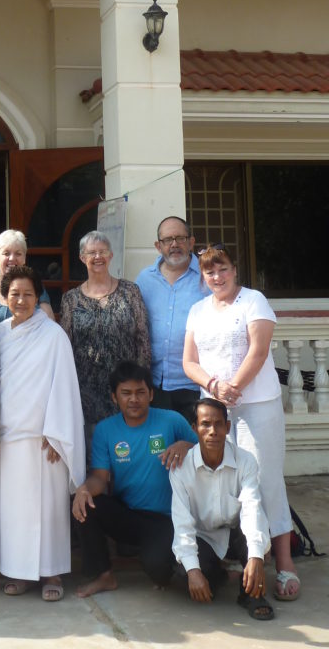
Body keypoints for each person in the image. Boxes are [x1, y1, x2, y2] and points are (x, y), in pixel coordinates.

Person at [183, 243, 300, 602]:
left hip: (256, 407)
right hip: (216, 408)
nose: (217, 277)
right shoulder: (198, 309)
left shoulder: (253, 300)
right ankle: (243, 556)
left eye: (223, 269)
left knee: (264, 482)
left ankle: (283, 562)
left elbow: (259, 350)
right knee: (227, 484)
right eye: (209, 272)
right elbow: (189, 361)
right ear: (202, 277)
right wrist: (215, 386)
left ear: (235, 270)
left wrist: (235, 386)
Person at [0, 266, 85, 602]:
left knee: (48, 512)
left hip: (45, 438)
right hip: (9, 438)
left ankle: (52, 572)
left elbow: (64, 387)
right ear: (5, 297)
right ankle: (19, 572)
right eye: (14, 294)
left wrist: (56, 432)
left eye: (28, 294)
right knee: (14, 511)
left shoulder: (53, 335)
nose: (21, 300)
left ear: (38, 297)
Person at [72, 361, 195, 598]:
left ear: (151, 394)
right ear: (114, 397)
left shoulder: (172, 421)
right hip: (129, 514)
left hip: (168, 518)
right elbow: (100, 477)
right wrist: (84, 489)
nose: (134, 399)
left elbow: (210, 453)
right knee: (84, 502)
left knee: (159, 572)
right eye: (126, 393)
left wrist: (186, 445)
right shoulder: (105, 430)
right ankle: (103, 576)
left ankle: (169, 562)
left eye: (140, 392)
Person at [170, 398, 274, 620]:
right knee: (183, 573)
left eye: (218, 424)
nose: (213, 431)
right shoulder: (181, 469)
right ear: (194, 429)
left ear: (227, 428)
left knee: (253, 533)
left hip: (238, 535)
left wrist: (256, 556)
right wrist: (194, 572)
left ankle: (252, 595)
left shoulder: (245, 461)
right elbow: (182, 523)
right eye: (205, 424)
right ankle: (220, 575)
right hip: (205, 536)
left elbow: (252, 509)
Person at [61, 231, 151, 445]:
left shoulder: (130, 291)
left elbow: (143, 339)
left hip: (126, 388)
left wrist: (142, 382)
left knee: (128, 450)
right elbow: (65, 347)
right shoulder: (70, 299)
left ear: (111, 256)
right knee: (94, 454)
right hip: (86, 393)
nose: (98, 257)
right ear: (82, 258)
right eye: (92, 252)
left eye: (103, 251)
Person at [135, 217, 200, 420]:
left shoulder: (207, 278)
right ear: (158, 246)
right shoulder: (144, 280)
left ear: (191, 242)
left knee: (195, 448)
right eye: (168, 240)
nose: (174, 244)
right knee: (160, 449)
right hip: (155, 386)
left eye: (180, 238)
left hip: (196, 385)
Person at [0, 229, 54, 325]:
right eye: (6, 253)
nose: (12, 258)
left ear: (24, 258)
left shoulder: (36, 288)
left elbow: (49, 324)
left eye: (18, 254)